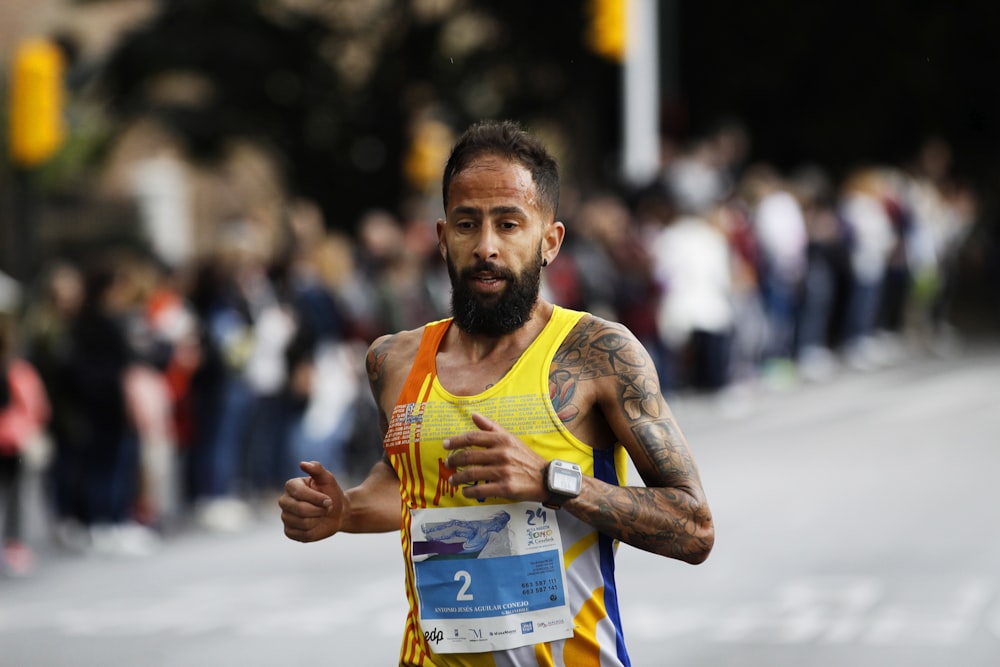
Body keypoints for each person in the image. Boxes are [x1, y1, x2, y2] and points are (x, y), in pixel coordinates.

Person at [279, 119, 715, 666]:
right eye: (467, 224)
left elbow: (694, 527)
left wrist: (551, 482)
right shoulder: (392, 361)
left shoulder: (597, 354)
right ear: (442, 238)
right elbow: (409, 481)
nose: (486, 246)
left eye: (509, 224)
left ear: (549, 241)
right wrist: (343, 510)